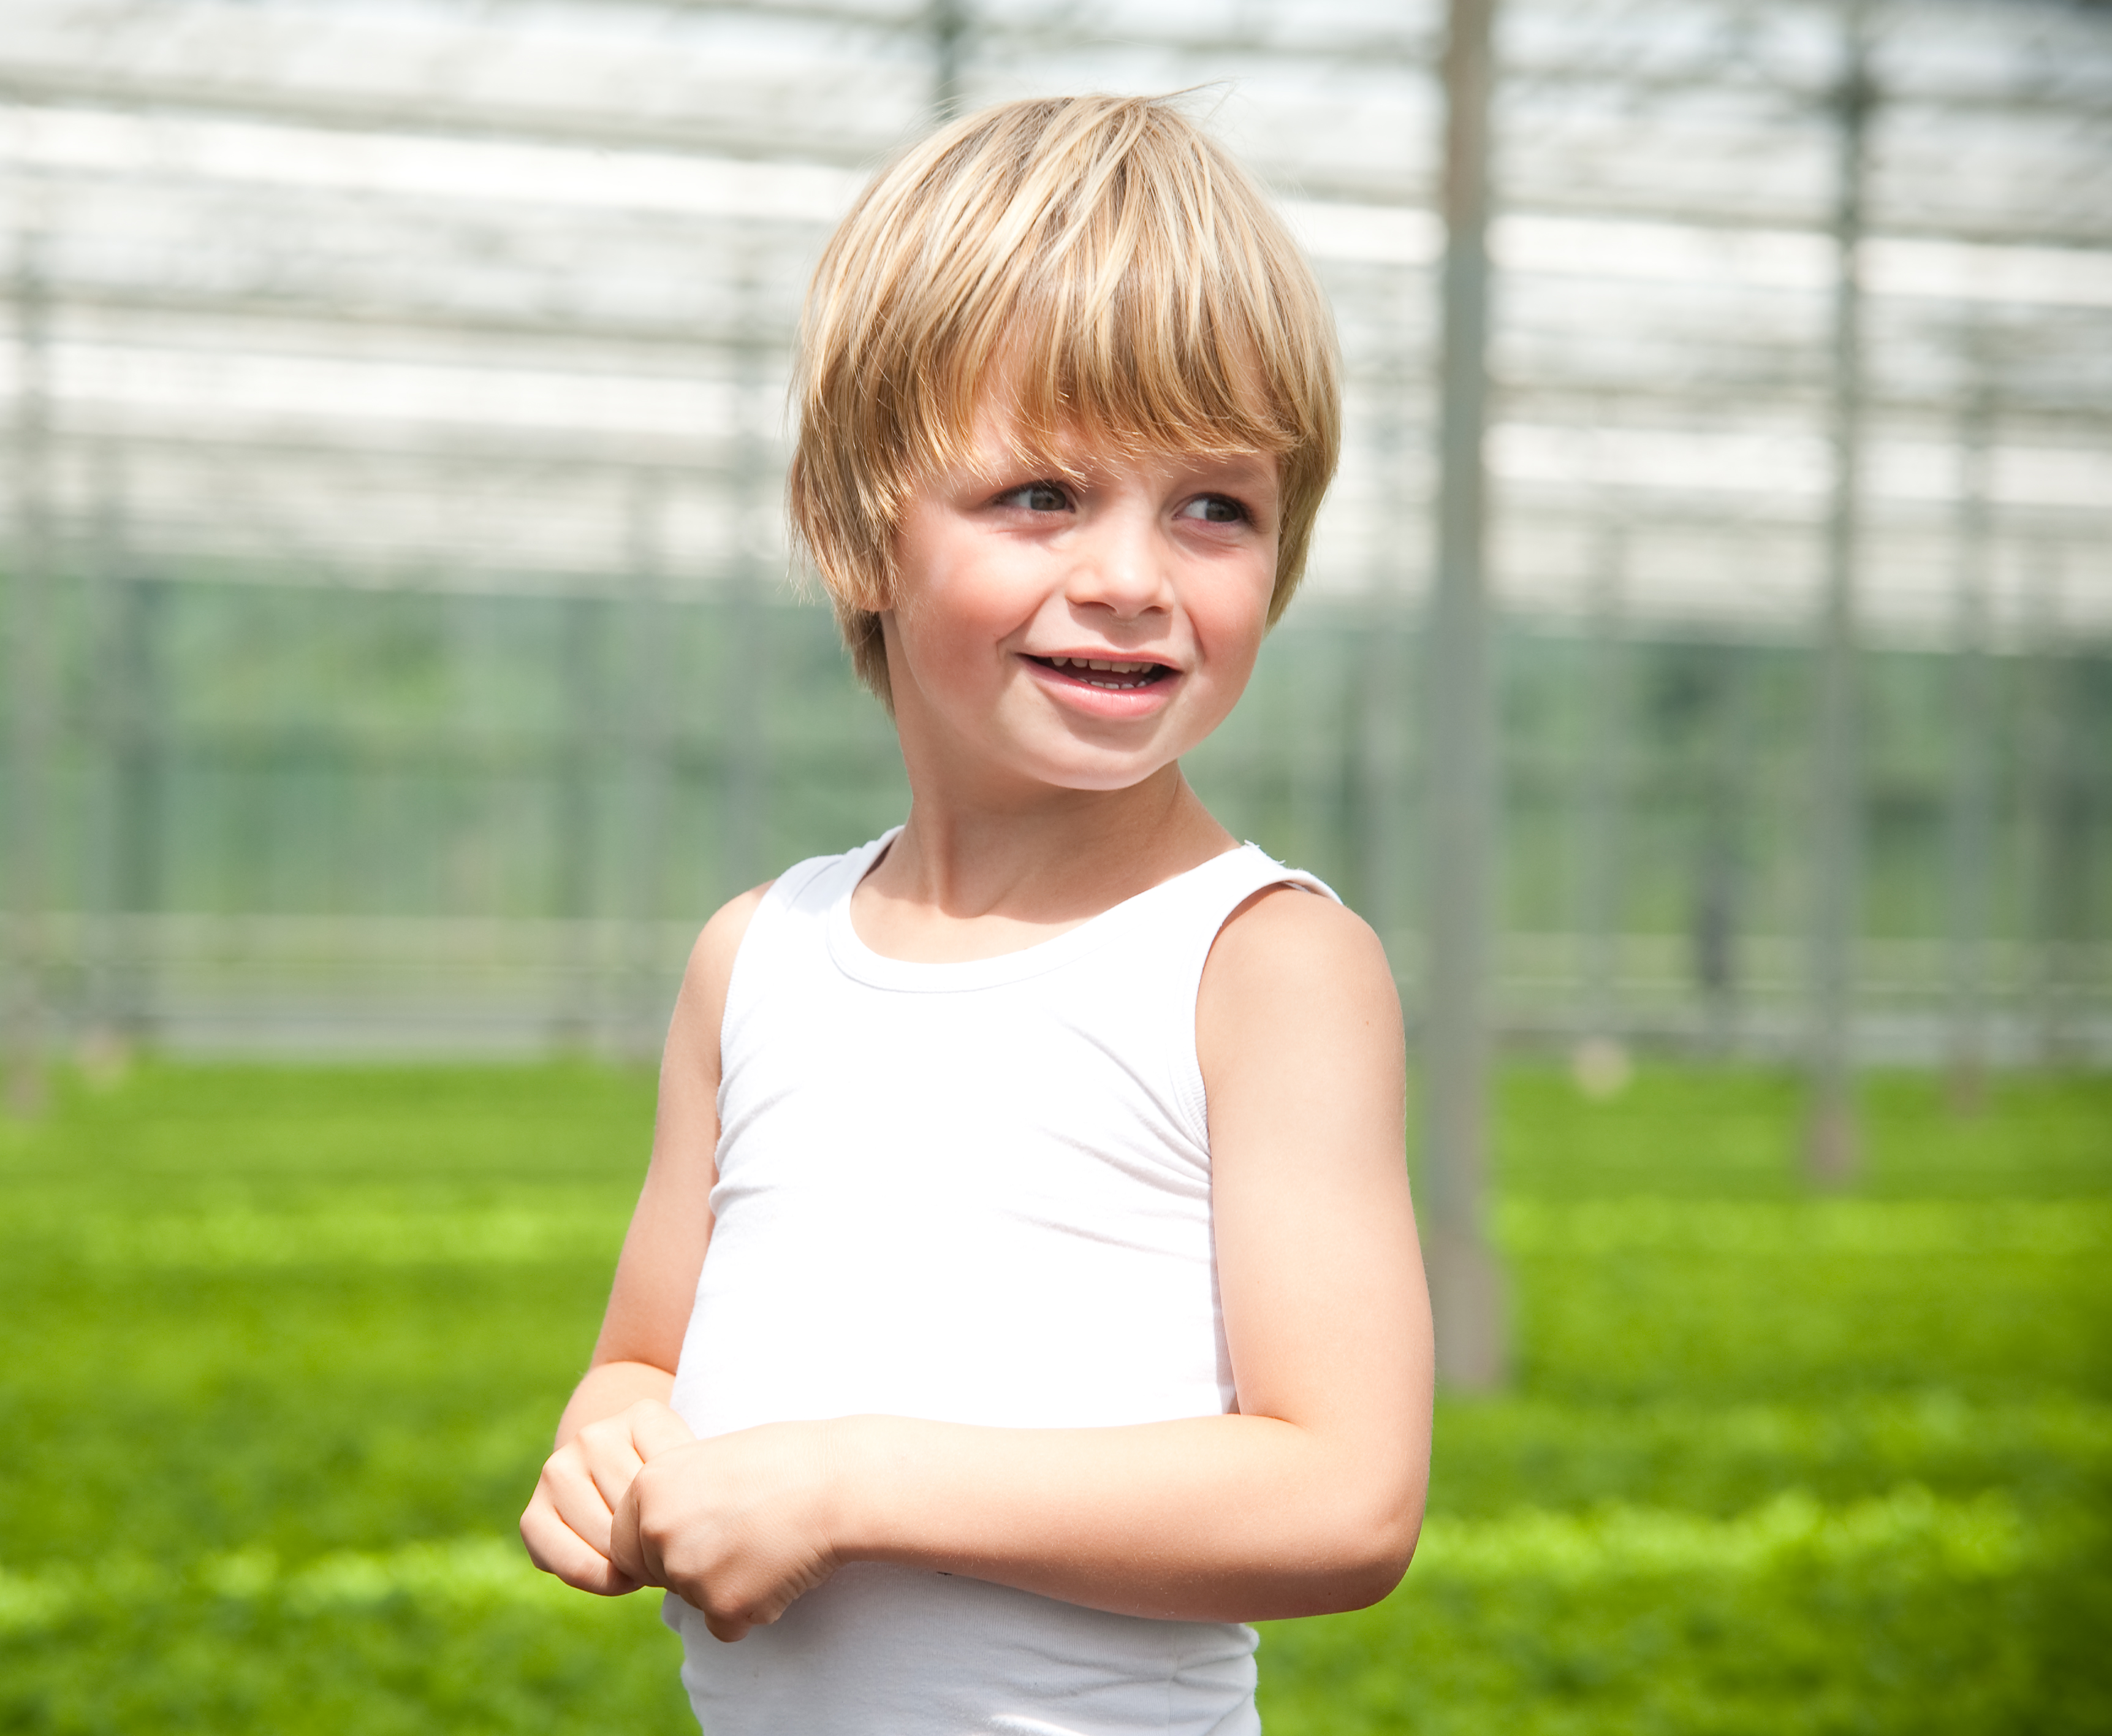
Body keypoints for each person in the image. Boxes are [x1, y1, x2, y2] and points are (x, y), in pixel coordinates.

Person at [519, 93, 1434, 1733]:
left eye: (1215, 507)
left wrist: (852, 1484)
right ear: (854, 531)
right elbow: (641, 1361)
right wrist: (610, 1450)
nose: (1134, 578)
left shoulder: (1260, 967)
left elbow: (1344, 1495)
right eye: (1042, 495)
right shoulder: (758, 959)